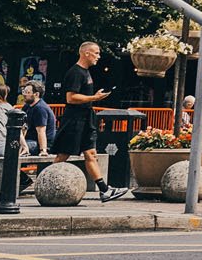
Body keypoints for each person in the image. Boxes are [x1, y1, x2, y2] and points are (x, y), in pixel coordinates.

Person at [49, 41, 130, 202]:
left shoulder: (85, 72)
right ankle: (46, 182)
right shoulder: (76, 72)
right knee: (63, 154)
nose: (98, 57)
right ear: (86, 53)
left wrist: (94, 98)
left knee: (91, 153)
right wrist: (94, 98)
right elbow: (70, 98)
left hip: (85, 117)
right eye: (96, 53)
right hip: (75, 119)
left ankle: (104, 190)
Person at [20, 83, 56, 157]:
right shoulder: (27, 106)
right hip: (30, 139)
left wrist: (43, 150)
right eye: (24, 91)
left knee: (14, 148)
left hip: (39, 143)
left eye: (28, 92)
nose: (24, 94)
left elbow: (41, 131)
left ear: (36, 94)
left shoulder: (40, 108)